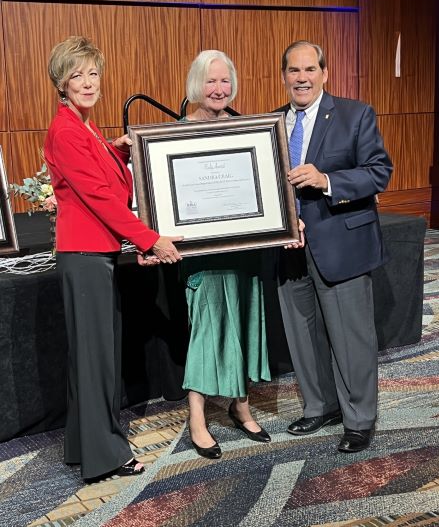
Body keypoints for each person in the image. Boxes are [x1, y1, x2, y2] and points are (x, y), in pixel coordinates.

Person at [44, 35, 183, 481]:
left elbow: (108, 181)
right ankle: (106, 456)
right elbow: (102, 200)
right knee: (96, 358)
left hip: (93, 254)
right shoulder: (66, 130)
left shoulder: (84, 128)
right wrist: (151, 240)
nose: (87, 82)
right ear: (61, 83)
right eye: (77, 75)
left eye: (93, 73)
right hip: (84, 255)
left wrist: (117, 150)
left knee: (92, 356)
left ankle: (83, 445)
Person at [275, 40, 393, 453]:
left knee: (350, 337)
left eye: (310, 70)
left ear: (324, 73)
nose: (302, 78)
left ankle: (359, 419)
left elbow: (379, 172)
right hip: (289, 247)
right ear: (284, 76)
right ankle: (319, 406)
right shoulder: (271, 123)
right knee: (302, 335)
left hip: (342, 242)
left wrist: (326, 180)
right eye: (294, 71)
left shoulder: (355, 114)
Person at [180, 50, 274, 459]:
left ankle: (240, 405)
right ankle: (197, 418)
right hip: (202, 253)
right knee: (206, 330)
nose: (218, 89)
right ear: (196, 86)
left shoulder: (247, 128)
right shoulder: (177, 132)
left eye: (224, 81)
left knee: (245, 322)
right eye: (210, 81)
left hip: (243, 248)